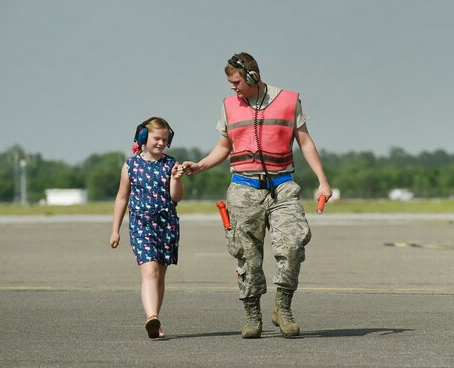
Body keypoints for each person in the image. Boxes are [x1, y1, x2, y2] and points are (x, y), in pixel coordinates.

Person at [182, 52, 332, 339]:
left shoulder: (289, 101)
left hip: (282, 186)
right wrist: (200, 165)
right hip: (243, 187)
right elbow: (224, 146)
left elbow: (306, 142)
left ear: (253, 77)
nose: (232, 88)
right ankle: (252, 313)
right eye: (230, 83)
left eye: (236, 81)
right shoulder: (229, 106)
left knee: (292, 244)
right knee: (246, 254)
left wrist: (323, 181)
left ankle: (283, 308)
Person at [110, 117, 184, 339]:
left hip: (166, 223)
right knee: (149, 270)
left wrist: (176, 179)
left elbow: (176, 197)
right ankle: (151, 316)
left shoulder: (171, 164)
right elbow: (122, 197)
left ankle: (155, 321)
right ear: (143, 138)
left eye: (165, 139)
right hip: (141, 224)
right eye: (156, 138)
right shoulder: (130, 165)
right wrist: (115, 229)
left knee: (160, 274)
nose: (161, 143)